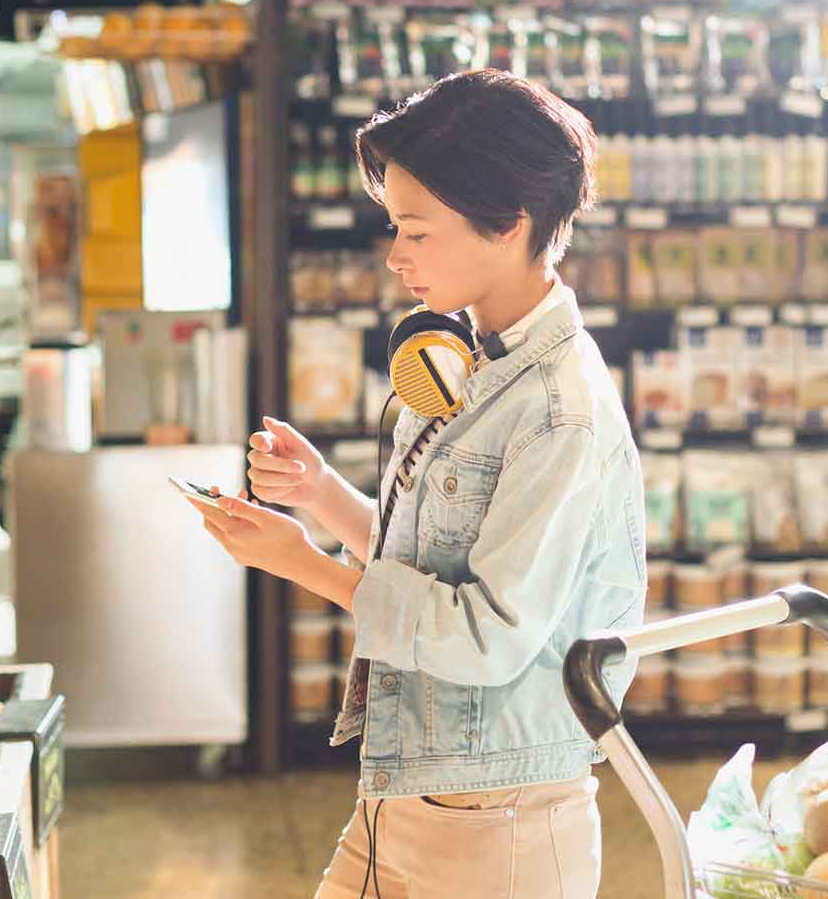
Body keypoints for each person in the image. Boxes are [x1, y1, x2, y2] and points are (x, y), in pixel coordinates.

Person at [190, 69, 646, 898]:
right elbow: (440, 563)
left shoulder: (557, 414)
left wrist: (304, 565)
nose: (396, 258)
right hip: (412, 793)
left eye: (416, 232)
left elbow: (487, 633)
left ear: (507, 225)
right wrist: (323, 494)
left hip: (499, 823)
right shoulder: (470, 354)